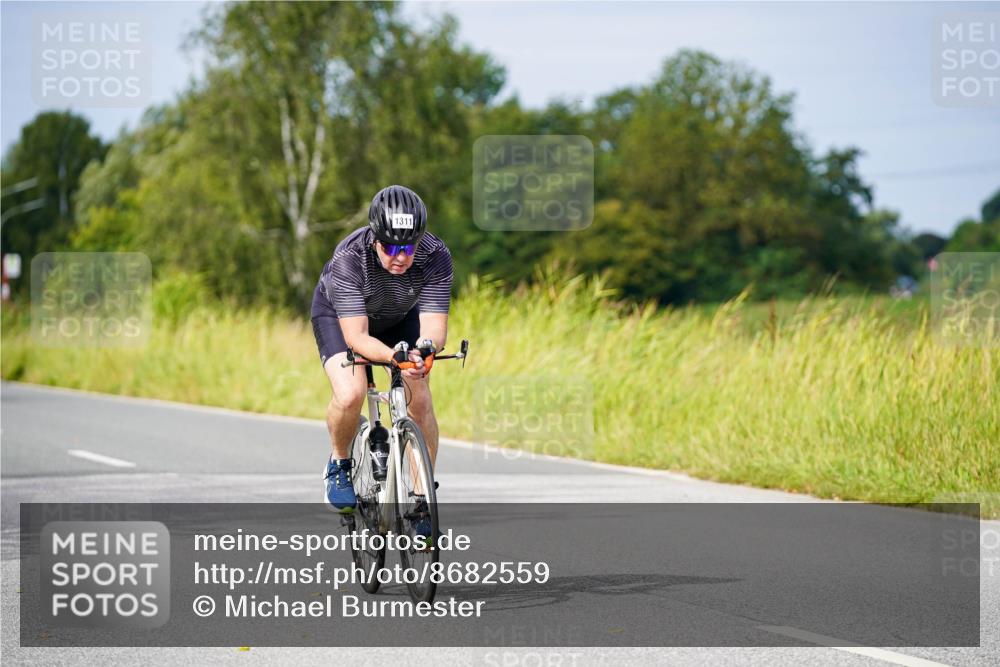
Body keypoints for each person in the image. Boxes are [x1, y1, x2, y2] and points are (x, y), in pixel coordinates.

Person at [310, 185, 453, 521]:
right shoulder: (349, 258)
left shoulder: (435, 255)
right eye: (390, 246)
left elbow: (433, 326)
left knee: (420, 398)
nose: (399, 256)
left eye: (408, 246)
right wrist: (392, 358)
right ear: (374, 238)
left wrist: (424, 351)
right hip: (342, 318)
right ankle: (340, 461)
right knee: (351, 393)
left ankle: (421, 501)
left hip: (399, 317)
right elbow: (357, 337)